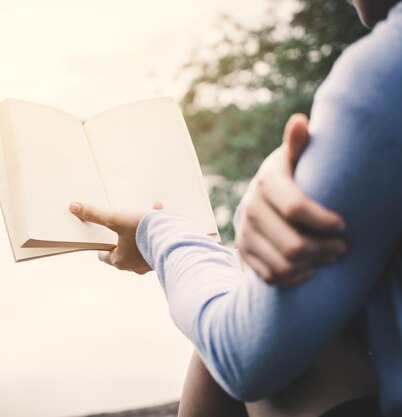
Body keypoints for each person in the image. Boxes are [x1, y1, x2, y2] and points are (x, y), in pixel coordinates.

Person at [68, 0, 402, 415]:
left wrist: (156, 232)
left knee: (240, 305)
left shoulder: (386, 72)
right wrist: (279, 169)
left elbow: (244, 354)